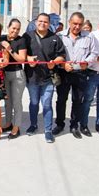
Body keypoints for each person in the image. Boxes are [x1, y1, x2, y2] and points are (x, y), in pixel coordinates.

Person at [53, 12, 98, 139]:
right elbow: (55, 53)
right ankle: (59, 124)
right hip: (64, 72)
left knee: (77, 100)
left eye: (80, 24)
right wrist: (62, 64)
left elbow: (94, 53)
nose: (77, 27)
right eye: (74, 24)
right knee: (61, 100)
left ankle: (74, 126)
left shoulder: (89, 37)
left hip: (80, 73)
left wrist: (87, 62)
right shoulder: (60, 36)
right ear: (69, 22)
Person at [23, 13, 65, 143]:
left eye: (45, 22)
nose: (42, 24)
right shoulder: (27, 36)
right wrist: (28, 58)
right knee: (34, 102)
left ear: (49, 23)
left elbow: (62, 55)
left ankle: (48, 130)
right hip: (32, 78)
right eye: (40, 21)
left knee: (47, 104)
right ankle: (33, 125)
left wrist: (55, 61)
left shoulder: (55, 38)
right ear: (35, 22)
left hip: (48, 78)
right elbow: (21, 54)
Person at [0, 18, 27, 139]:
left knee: (16, 102)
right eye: (13, 28)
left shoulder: (21, 40)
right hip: (4, 74)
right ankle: (8, 123)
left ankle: (16, 127)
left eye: (18, 29)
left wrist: (9, 49)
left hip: (17, 74)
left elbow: (21, 59)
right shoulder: (2, 38)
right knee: (7, 102)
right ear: (8, 27)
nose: (15, 31)